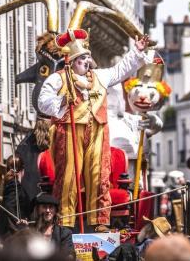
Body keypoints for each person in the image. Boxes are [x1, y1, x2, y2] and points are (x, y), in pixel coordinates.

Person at [38, 30, 150, 228]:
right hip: (70, 131)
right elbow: (43, 103)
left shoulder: (99, 76)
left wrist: (137, 51)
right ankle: (65, 221)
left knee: (99, 175)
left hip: (98, 131)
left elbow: (120, 70)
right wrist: (63, 100)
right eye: (82, 58)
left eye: (88, 57)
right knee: (68, 177)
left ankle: (100, 221)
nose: (87, 61)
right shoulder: (58, 79)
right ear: (72, 61)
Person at [0, 154, 31, 239]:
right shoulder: (14, 185)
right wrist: (17, 226)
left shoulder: (11, 184)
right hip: (11, 234)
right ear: (22, 170)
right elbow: (8, 206)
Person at [31, 193, 75, 259]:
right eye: (44, 207)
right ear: (38, 210)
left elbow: (69, 255)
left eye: (51, 207)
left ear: (55, 211)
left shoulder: (64, 233)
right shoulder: (30, 231)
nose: (48, 210)